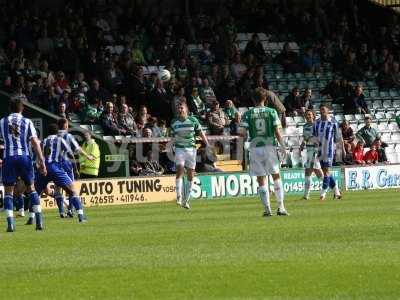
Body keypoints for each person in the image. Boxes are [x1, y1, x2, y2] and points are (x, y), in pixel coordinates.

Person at [239, 87, 289, 217]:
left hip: (255, 148)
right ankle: (281, 207)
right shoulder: (271, 112)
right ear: (265, 99)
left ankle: (267, 209)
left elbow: (242, 133)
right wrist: (283, 146)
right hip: (270, 147)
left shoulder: (247, 114)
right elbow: (277, 132)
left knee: (261, 180)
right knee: (276, 176)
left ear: (253, 99)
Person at [0, 99, 47, 231]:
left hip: (8, 157)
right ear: (22, 109)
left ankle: (10, 223)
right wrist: (42, 161)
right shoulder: (27, 122)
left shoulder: (2, 122)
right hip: (24, 158)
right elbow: (35, 142)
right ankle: (39, 221)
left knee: (9, 192)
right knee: (31, 189)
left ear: (10, 108)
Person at [32, 124, 86, 223]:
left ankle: (32, 218)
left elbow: (39, 157)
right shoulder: (60, 140)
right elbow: (69, 152)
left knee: (35, 193)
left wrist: (39, 168)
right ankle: (81, 215)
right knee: (72, 191)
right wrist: (75, 167)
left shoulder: (43, 141)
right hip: (56, 168)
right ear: (57, 132)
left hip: (44, 169)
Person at [171, 102, 208, 209]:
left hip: (191, 149)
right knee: (180, 169)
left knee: (191, 175)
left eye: (181, 108)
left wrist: (208, 144)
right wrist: (170, 145)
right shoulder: (174, 122)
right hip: (179, 149)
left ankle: (186, 201)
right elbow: (173, 136)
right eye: (178, 108)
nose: (180, 110)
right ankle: (179, 196)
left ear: (186, 109)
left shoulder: (193, 120)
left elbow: (201, 133)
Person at [56, 118, 93, 218]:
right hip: (67, 164)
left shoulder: (54, 136)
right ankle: (70, 211)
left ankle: (61, 212)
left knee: (58, 188)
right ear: (65, 125)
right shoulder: (68, 136)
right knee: (71, 188)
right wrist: (87, 156)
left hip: (56, 164)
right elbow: (77, 149)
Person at [313, 104, 343, 200]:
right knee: (326, 171)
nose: (322, 111)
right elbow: (314, 136)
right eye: (321, 109)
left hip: (329, 149)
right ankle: (337, 192)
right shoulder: (316, 122)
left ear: (328, 111)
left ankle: (323, 194)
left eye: (324, 110)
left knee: (327, 172)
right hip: (320, 150)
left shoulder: (333, 122)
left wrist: (338, 149)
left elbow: (338, 137)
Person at [300, 110, 323, 200]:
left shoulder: (316, 125)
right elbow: (305, 137)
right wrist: (303, 143)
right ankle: (332, 187)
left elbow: (320, 137)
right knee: (315, 171)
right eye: (306, 115)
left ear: (313, 115)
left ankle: (306, 195)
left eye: (309, 114)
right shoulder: (305, 126)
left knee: (310, 171)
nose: (308, 116)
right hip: (308, 150)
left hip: (315, 150)